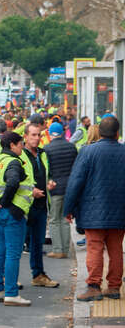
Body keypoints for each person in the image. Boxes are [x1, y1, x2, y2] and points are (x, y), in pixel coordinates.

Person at [65, 116, 125, 301]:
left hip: (93, 210)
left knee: (95, 248)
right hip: (120, 210)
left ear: (99, 133)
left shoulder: (88, 152)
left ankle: (94, 287)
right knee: (116, 249)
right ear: (117, 133)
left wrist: (68, 207)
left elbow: (76, 182)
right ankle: (114, 287)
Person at [0, 131, 32, 306]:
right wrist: (5, 201)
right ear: (12, 145)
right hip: (12, 212)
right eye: (20, 144)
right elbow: (13, 182)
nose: (22, 146)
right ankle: (11, 293)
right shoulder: (14, 162)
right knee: (13, 253)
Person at [22, 123, 59, 288]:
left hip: (41, 205)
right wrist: (31, 190)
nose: (37, 138)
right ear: (25, 136)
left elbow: (46, 174)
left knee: (38, 243)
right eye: (33, 135)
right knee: (16, 245)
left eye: (38, 135)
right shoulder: (20, 155)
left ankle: (38, 275)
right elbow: (15, 180)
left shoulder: (42, 154)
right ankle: (8, 278)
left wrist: (48, 183)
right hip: (23, 206)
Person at [44, 122, 78, 259]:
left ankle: (58, 249)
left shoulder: (47, 149)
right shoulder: (71, 147)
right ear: (62, 133)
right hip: (69, 187)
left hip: (55, 187)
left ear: (50, 133)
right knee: (65, 218)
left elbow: (47, 170)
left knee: (53, 219)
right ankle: (65, 248)